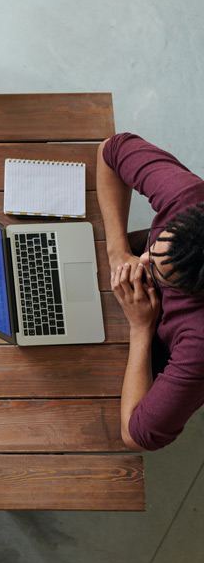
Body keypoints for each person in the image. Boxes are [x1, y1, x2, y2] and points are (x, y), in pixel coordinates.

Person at [96, 133, 204, 451]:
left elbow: (136, 435)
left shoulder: (198, 342)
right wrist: (117, 252)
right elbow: (110, 149)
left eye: (157, 270)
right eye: (154, 248)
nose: (143, 260)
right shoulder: (188, 196)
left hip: (151, 333)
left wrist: (141, 328)